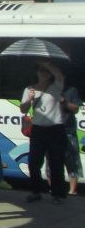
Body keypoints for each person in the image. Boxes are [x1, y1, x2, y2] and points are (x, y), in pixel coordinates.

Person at [21, 60, 68, 204]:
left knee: (56, 163)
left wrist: (46, 64)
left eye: (45, 72)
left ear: (49, 74)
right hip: (38, 130)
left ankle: (57, 194)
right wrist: (29, 99)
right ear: (36, 73)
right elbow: (23, 109)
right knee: (34, 162)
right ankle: (36, 191)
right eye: (40, 71)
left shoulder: (55, 87)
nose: (43, 73)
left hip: (56, 129)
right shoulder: (30, 89)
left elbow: (60, 76)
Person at [57, 82, 80, 197]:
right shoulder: (48, 88)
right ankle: (54, 190)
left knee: (72, 162)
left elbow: (76, 109)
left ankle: (72, 191)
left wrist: (63, 101)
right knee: (52, 162)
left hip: (68, 130)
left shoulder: (71, 90)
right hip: (52, 130)